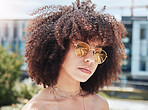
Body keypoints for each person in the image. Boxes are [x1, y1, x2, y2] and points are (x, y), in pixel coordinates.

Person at [22, 0, 127, 110]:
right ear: (58, 48)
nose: (91, 59)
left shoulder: (100, 105)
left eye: (98, 53)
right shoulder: (36, 107)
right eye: (82, 48)